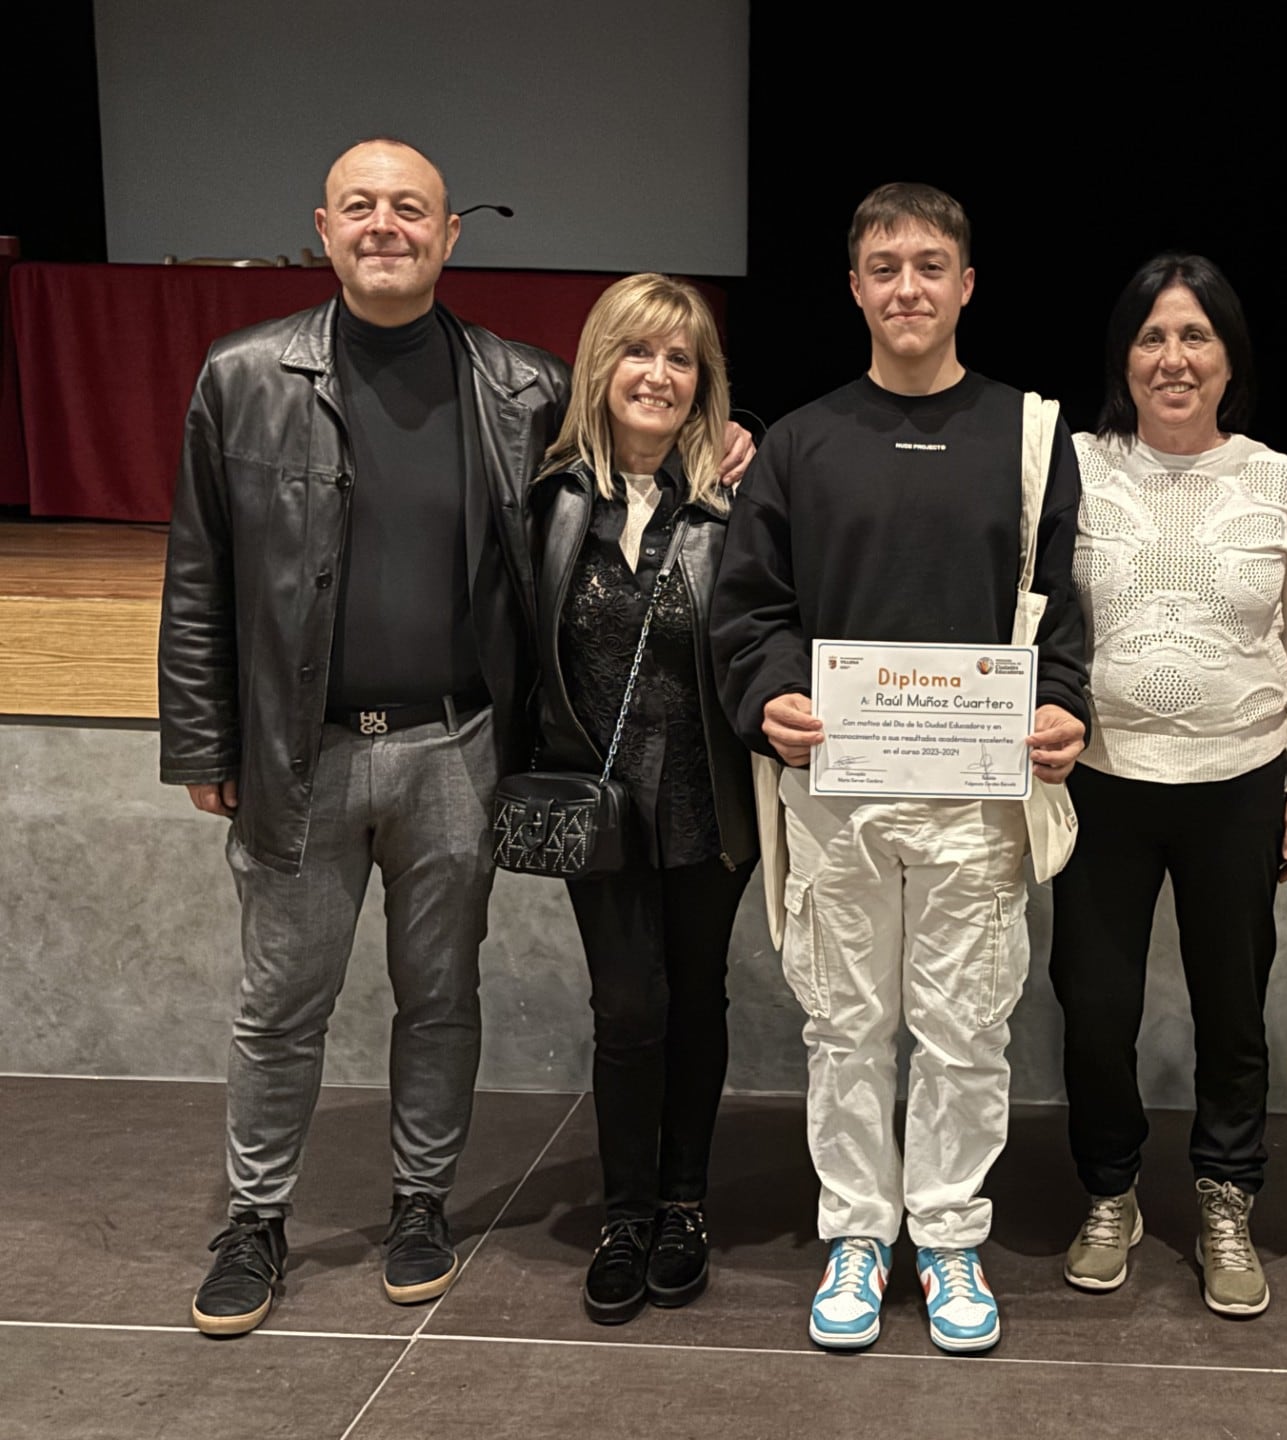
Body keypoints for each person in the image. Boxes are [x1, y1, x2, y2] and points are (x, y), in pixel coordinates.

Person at [159, 138, 751, 1338]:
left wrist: (729, 446)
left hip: (456, 749)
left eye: (412, 209)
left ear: (451, 234)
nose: (388, 226)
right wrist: (200, 742)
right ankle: (254, 1221)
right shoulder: (242, 375)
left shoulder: (519, 386)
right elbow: (198, 577)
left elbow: (640, 439)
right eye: (363, 207)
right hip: (298, 753)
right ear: (321, 225)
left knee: (441, 995)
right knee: (281, 1002)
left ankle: (423, 1201)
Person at [709, 182, 1090, 1354]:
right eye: (885, 267)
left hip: (977, 792)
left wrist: (1064, 705)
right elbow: (750, 607)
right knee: (846, 1026)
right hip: (840, 789)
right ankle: (861, 1234)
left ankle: (952, 1236)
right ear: (856, 286)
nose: (908, 288)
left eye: (930, 265)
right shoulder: (801, 441)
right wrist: (768, 692)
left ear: (967, 284)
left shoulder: (1029, 434)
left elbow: (1067, 605)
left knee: (969, 1027)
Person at [1049, 254, 1287, 1318]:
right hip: (1100, 783)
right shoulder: (1071, 467)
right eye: (1153, 337)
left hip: (1238, 781)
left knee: (1232, 1006)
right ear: (1125, 355)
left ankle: (1224, 1196)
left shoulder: (1279, 482)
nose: (1173, 358)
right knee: (1093, 1006)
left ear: (1228, 358)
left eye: (1196, 336)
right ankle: (1110, 1191)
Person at [527, 274, 756, 1324]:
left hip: (709, 803)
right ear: (601, 365)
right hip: (601, 809)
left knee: (696, 1001)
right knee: (627, 1009)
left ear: (702, 382)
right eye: (639, 352)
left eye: (681, 358)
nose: (658, 376)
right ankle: (624, 1215)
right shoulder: (549, 492)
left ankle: (685, 1204)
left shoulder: (737, 500)